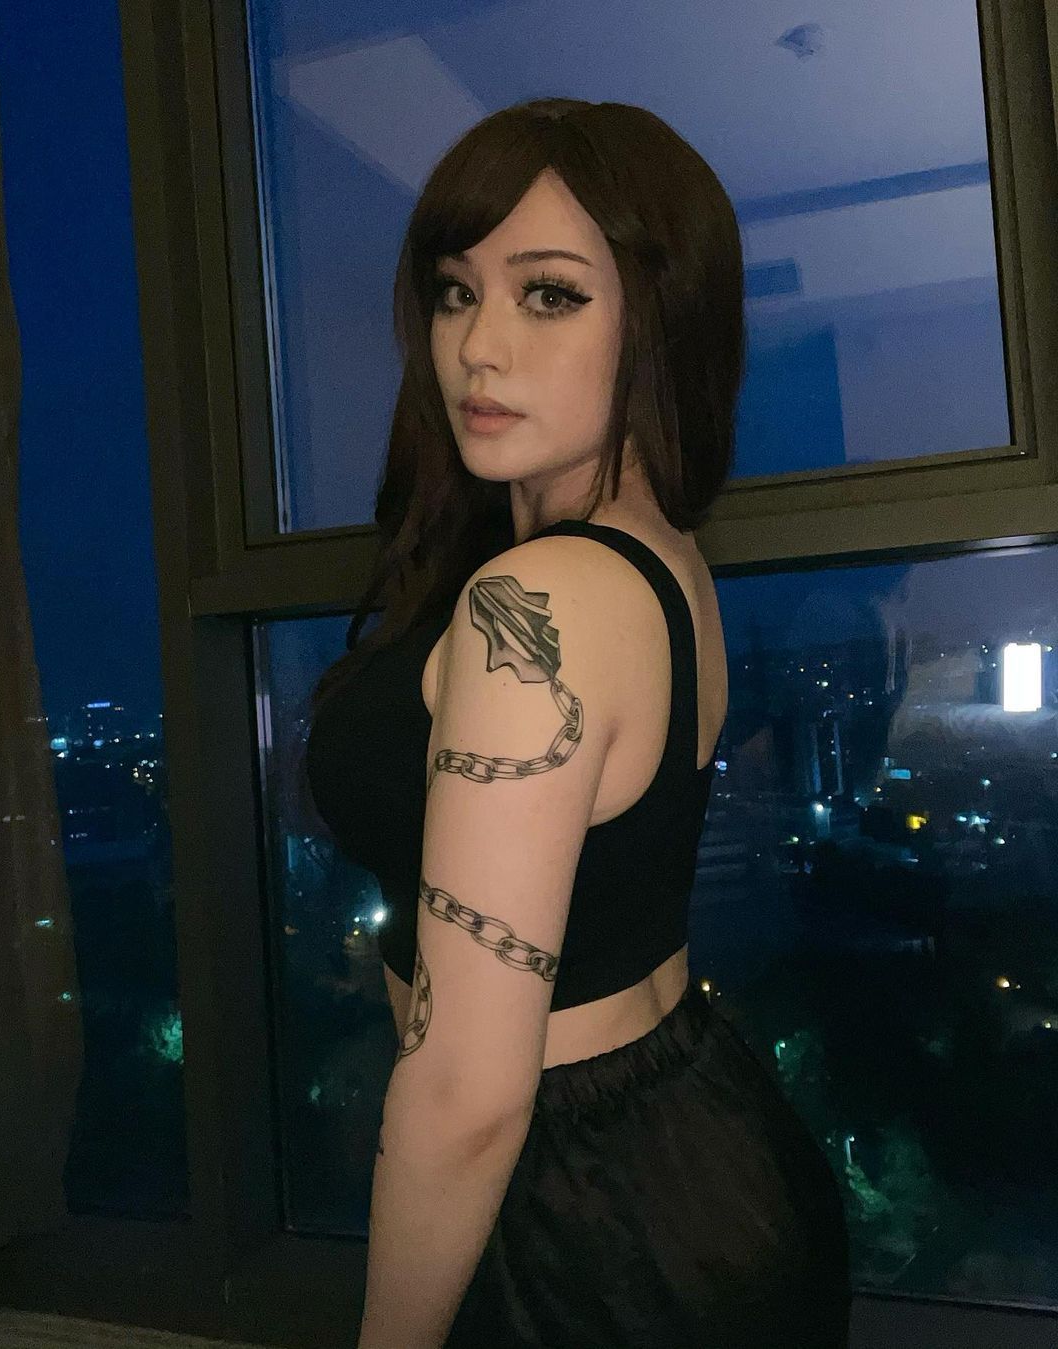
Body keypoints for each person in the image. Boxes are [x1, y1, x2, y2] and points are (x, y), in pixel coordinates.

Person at [304, 96, 852, 1348]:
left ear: (660, 319)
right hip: (687, 1128)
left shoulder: (541, 598)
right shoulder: (658, 562)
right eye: (457, 292)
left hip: (585, 1206)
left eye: (548, 293)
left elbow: (468, 1092)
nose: (478, 345)